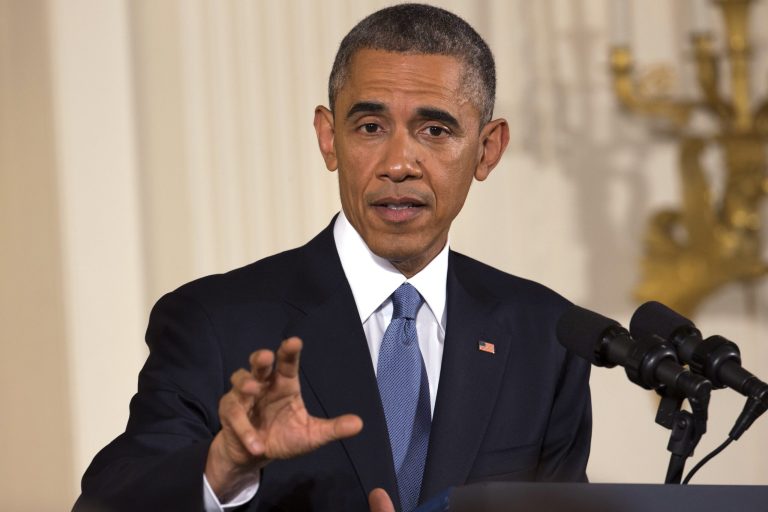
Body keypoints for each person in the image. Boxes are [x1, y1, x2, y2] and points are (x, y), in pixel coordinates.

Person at [74, 4, 591, 512]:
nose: (398, 164)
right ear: (329, 138)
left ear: (487, 150)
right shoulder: (215, 322)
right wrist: (222, 468)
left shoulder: (544, 335)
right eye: (370, 127)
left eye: (435, 131)